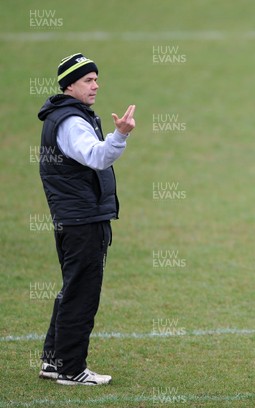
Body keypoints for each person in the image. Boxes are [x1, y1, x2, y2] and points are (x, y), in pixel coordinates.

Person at [37, 53, 136, 385]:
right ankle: (70, 369)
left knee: (72, 289)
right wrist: (119, 134)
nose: (96, 85)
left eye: (96, 79)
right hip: (83, 220)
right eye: (88, 80)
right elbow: (96, 157)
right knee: (82, 293)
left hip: (74, 217)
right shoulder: (72, 121)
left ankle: (54, 361)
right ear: (69, 85)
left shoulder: (65, 116)